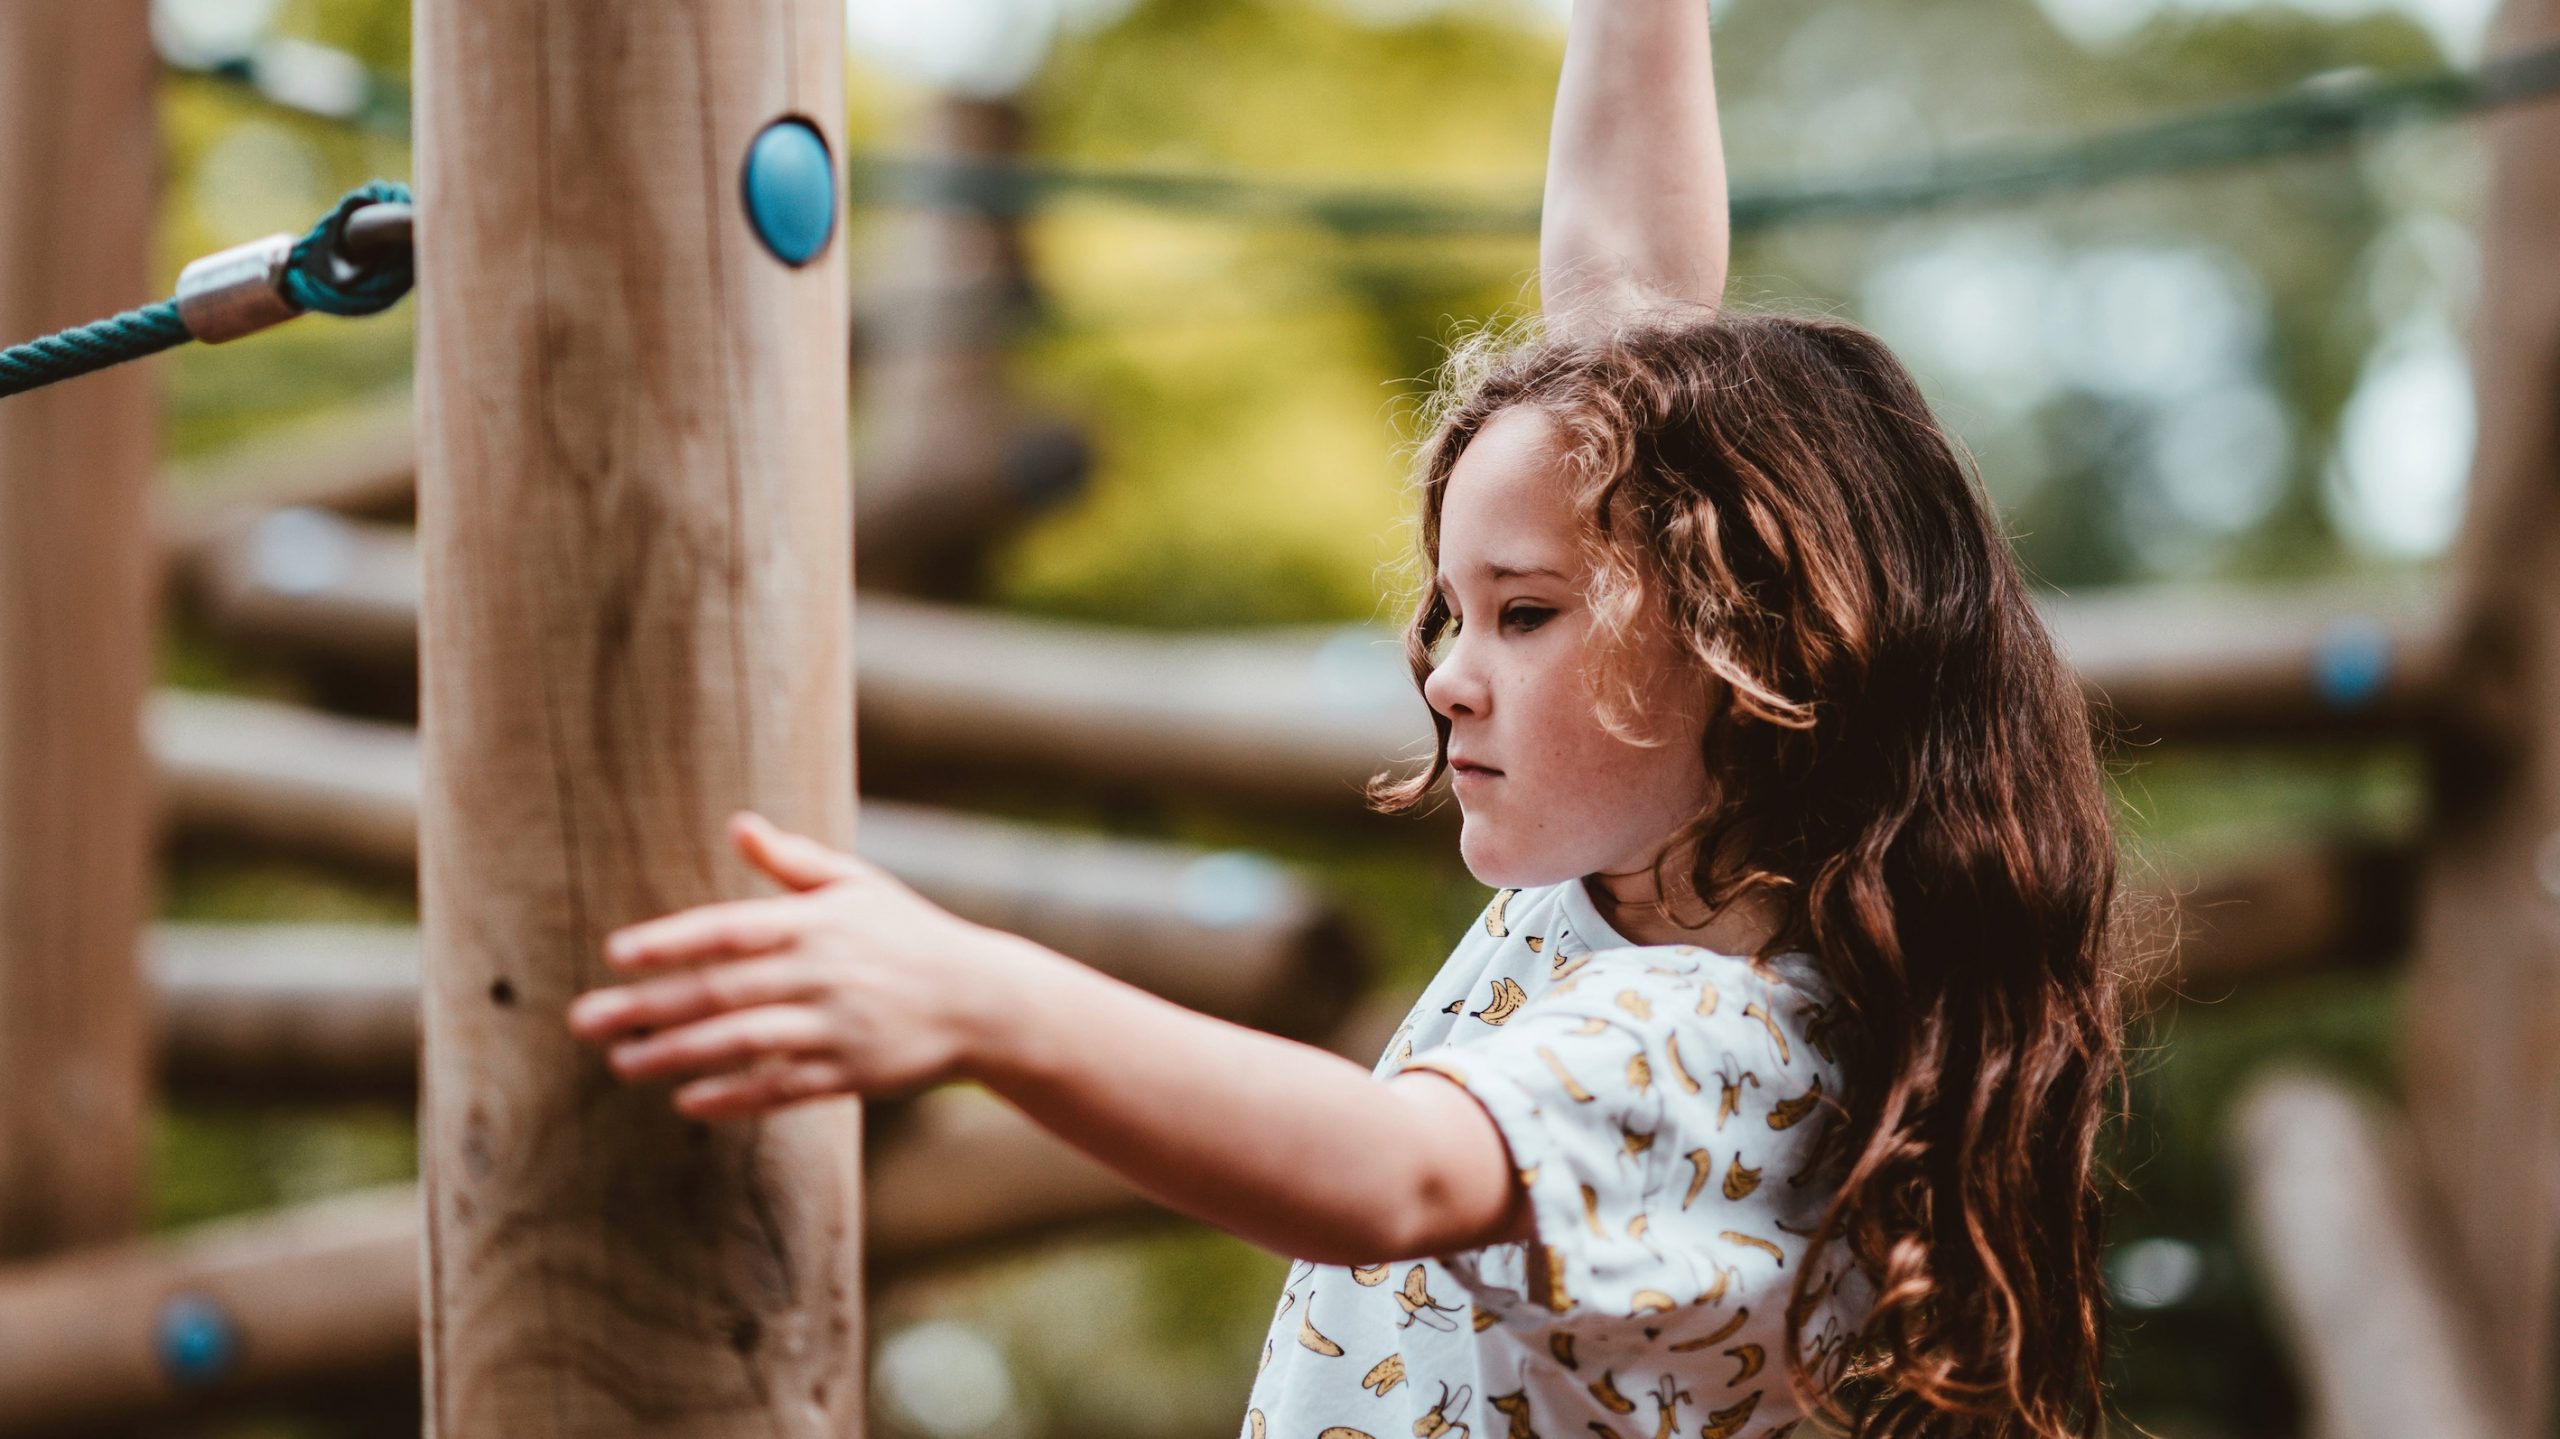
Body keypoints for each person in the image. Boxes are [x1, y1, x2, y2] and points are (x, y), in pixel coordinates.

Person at [566, 2, 2133, 1435]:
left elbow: (1388, 1174)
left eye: (1526, 614)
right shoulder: (1629, 884)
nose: (1447, 672)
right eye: (1454, 612)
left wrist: (976, 998)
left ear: (1751, 647)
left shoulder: (1728, 1044)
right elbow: (1629, 283)